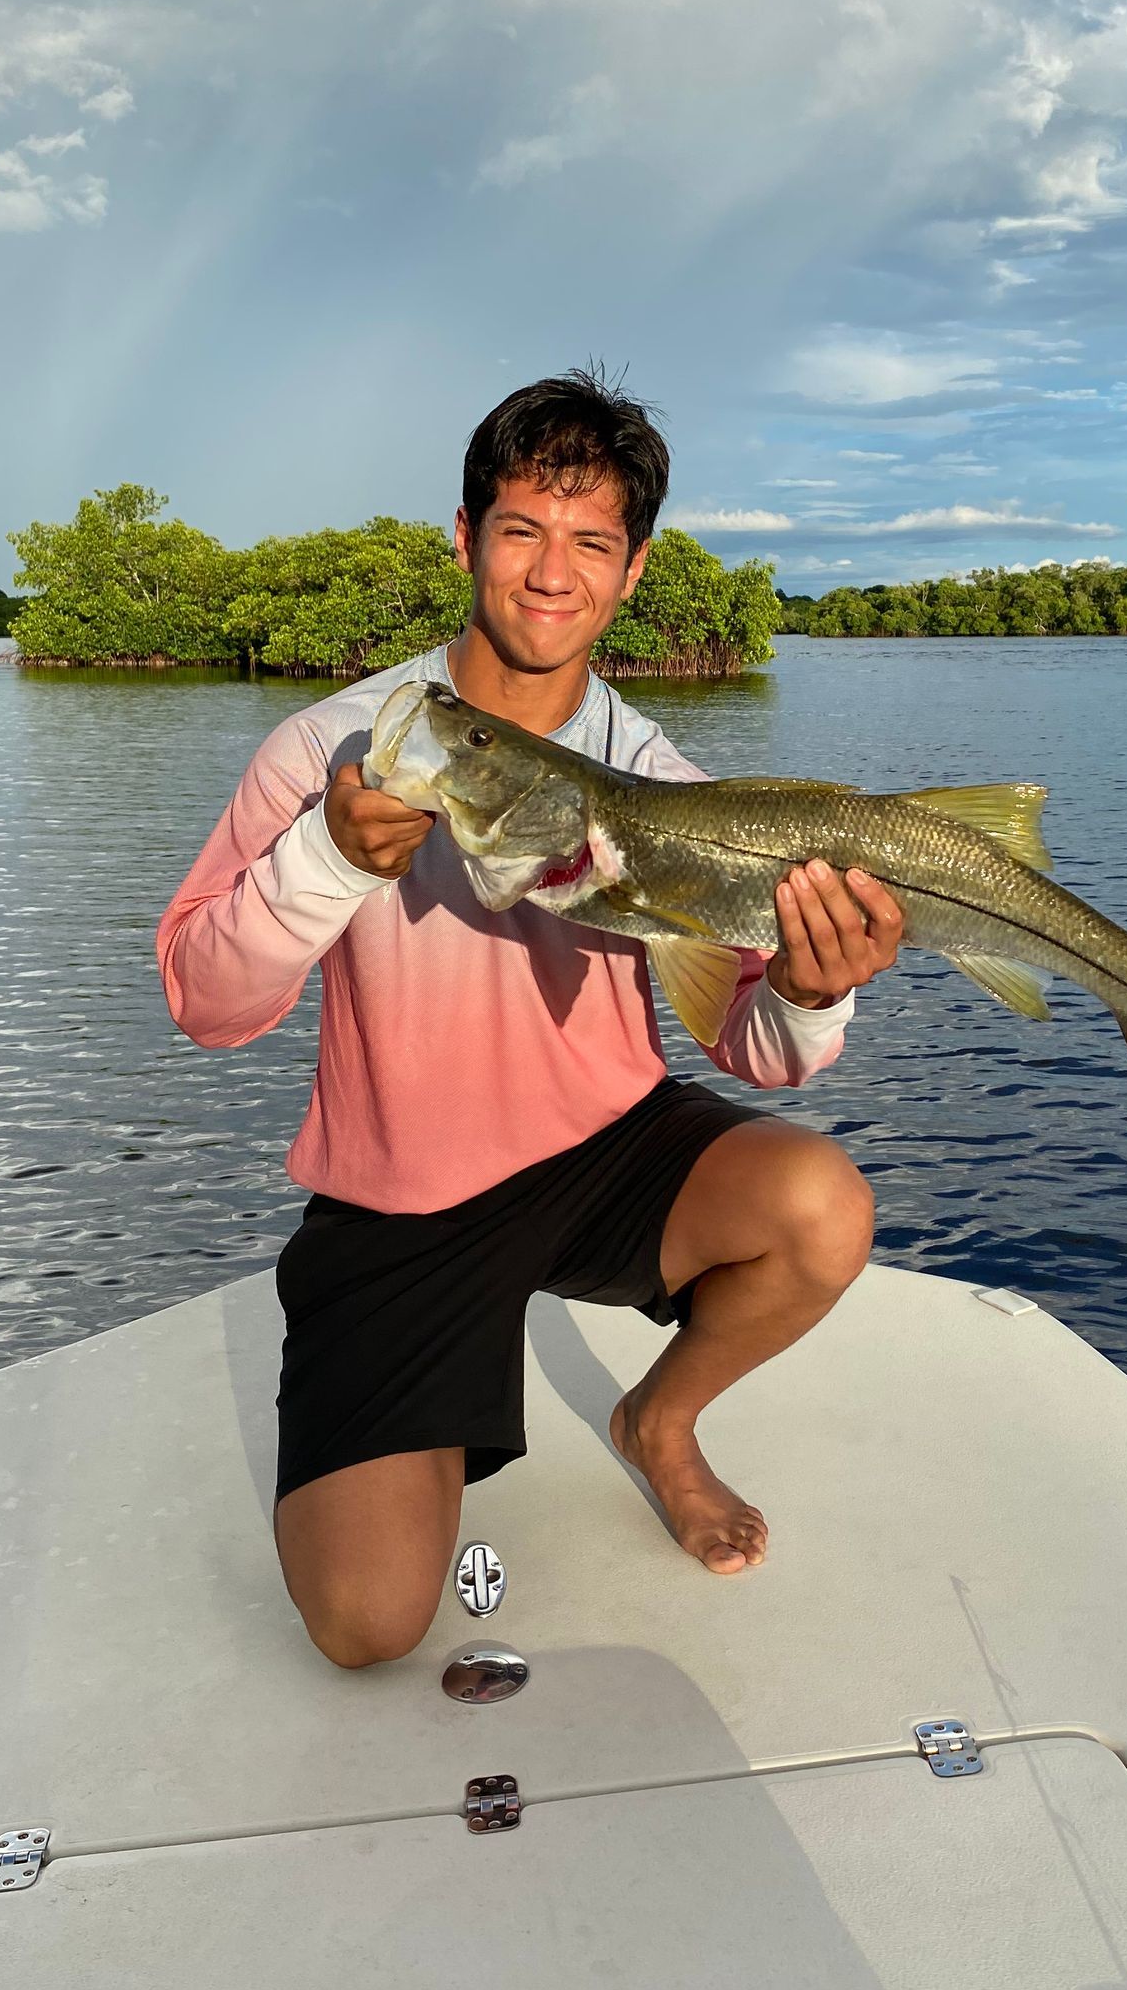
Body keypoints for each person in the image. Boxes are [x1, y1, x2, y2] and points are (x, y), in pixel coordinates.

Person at [158, 371, 903, 1668]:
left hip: (606, 1153)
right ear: (466, 538)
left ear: (634, 568)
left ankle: (657, 1423)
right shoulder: (337, 748)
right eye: (522, 530)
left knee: (822, 1205)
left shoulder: (665, 783)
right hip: (403, 1193)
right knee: (366, 1623)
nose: (553, 573)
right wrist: (326, 859)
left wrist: (808, 988)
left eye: (592, 541)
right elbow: (204, 1003)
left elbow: (752, 1048)